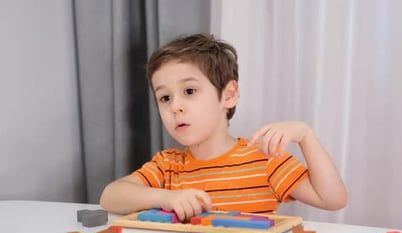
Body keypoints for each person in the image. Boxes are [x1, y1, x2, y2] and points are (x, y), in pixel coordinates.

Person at [100, 33, 347, 221]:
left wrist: (305, 135)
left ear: (228, 96)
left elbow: (333, 199)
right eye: (165, 98)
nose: (175, 107)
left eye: (189, 91)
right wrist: (167, 197)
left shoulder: (264, 159)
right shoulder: (168, 165)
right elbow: (110, 196)